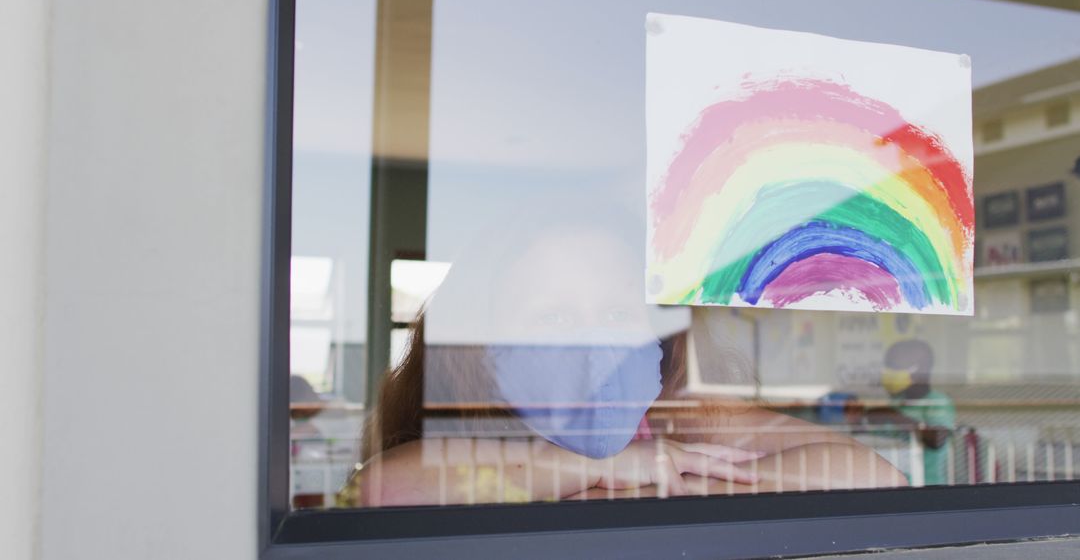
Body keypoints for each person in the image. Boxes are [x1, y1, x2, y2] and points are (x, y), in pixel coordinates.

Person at [339, 205, 906, 507]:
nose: (594, 344)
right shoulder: (469, 428)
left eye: (617, 314)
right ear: (480, 347)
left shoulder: (677, 419)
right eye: (553, 318)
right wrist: (604, 470)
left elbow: (875, 477)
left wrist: (663, 480)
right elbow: (386, 490)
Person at [848, 339, 956, 486]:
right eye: (887, 366)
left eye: (894, 366)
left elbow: (937, 439)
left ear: (919, 369)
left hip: (924, 486)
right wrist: (856, 421)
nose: (887, 372)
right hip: (887, 482)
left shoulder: (937, 402)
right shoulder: (897, 401)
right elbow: (873, 442)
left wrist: (894, 417)